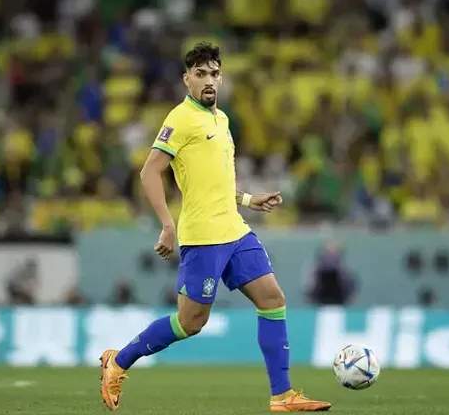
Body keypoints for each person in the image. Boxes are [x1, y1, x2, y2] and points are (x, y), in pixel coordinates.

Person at [98, 42, 332, 412]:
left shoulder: (220, 120)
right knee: (191, 322)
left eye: (215, 73)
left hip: (235, 230)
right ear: (187, 79)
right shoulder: (180, 119)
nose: (210, 80)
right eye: (201, 74)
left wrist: (248, 200)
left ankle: (282, 395)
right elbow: (150, 172)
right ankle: (119, 361)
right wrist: (166, 224)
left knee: (273, 300)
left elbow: (215, 181)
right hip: (203, 236)